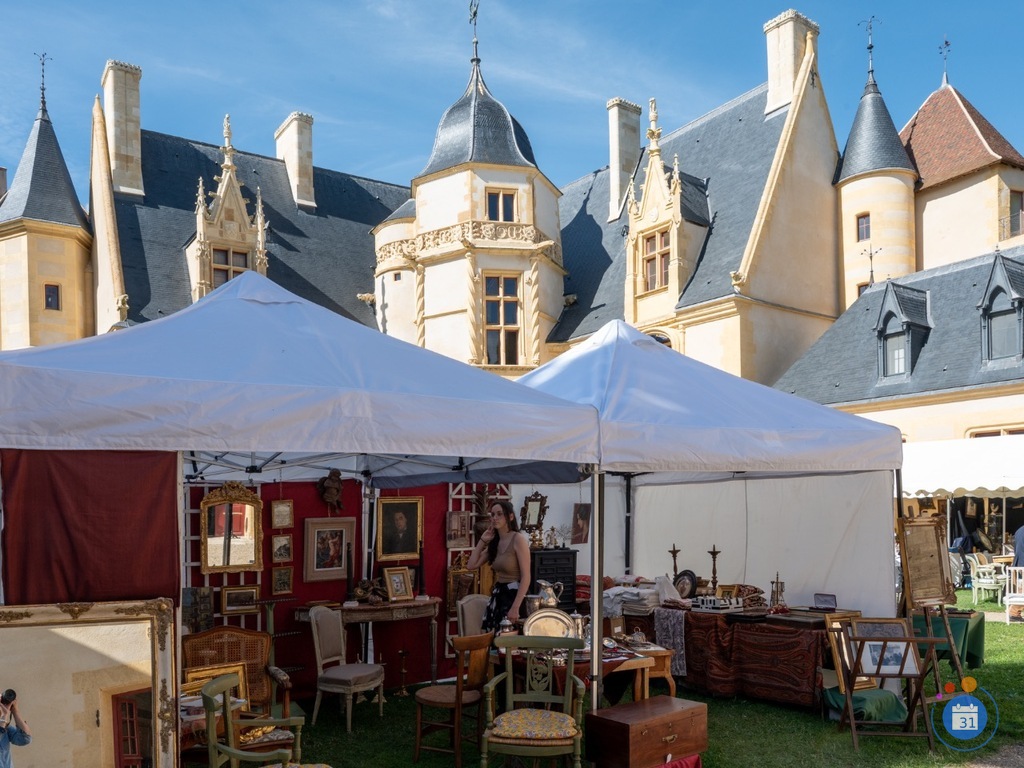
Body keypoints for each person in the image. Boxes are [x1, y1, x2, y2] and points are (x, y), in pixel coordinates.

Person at [467, 499, 531, 631]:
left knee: (510, 641)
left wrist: (515, 607)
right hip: (498, 594)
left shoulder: (518, 539)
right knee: (495, 639)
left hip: (514, 595)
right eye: (493, 514)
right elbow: (471, 565)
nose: (495, 518)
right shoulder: (494, 542)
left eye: (499, 514)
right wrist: (482, 540)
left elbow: (526, 577)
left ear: (510, 517)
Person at [0, 692, 30, 768]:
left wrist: (14, 710)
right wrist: (3, 719)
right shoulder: (2, 725)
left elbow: (24, 739)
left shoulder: (4, 726)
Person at [1011, 524, 1024, 621]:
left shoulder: (1019, 530)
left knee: (1022, 589)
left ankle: (1014, 613)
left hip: (1019, 562)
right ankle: (1013, 612)